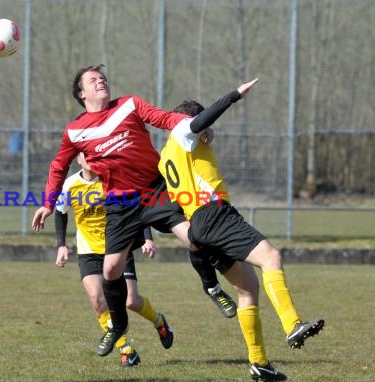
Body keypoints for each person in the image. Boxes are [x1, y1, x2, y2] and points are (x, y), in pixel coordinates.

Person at [32, 64, 237, 358]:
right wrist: (49, 203)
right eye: (93, 80)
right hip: (120, 204)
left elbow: (166, 119)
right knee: (110, 270)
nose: (101, 81)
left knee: (194, 237)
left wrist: (197, 125)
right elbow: (58, 166)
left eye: (102, 78)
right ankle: (118, 327)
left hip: (154, 190)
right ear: (81, 93)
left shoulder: (130, 104)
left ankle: (212, 287)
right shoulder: (75, 130)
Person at [158, 83, 324, 382]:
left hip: (199, 225)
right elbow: (200, 121)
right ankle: (292, 325)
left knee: (247, 288)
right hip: (214, 214)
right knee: (271, 257)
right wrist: (236, 94)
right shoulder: (185, 133)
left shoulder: (167, 154)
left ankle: (259, 362)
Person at [54, 152, 174, 367]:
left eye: (93, 153)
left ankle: (159, 321)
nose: (90, 158)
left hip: (118, 247)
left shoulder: (112, 180)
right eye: (84, 154)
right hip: (88, 249)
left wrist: (147, 238)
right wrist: (61, 244)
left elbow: (136, 208)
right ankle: (126, 350)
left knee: (131, 301)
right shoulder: (70, 184)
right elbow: (60, 212)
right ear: (78, 159)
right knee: (97, 300)